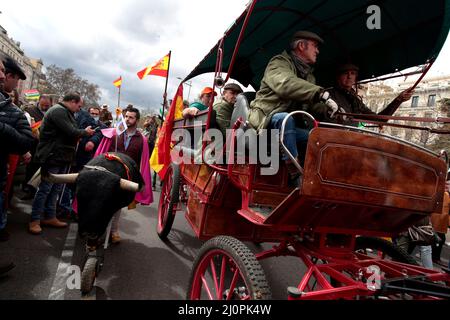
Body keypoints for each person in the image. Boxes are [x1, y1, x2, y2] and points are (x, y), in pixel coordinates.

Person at [247, 31, 339, 187]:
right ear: (301, 46)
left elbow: (312, 104)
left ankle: (322, 179)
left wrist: (329, 110)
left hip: (288, 128)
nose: (317, 51)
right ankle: (296, 175)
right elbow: (286, 84)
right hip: (266, 120)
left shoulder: (309, 77)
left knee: (318, 138)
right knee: (285, 119)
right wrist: (321, 93)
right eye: (315, 46)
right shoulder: (278, 63)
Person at [29, 92, 95, 235]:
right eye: (79, 105)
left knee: (56, 189)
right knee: (45, 189)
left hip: (62, 157)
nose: (79, 109)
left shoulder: (65, 111)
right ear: (72, 101)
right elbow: (71, 131)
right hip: (52, 156)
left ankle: (50, 216)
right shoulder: (58, 111)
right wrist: (85, 132)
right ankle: (35, 219)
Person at [0, 57, 33, 274]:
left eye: (3, 71)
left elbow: (25, 141)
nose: (2, 76)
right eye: (0, 70)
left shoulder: (11, 110)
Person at [327, 63, 414, 124]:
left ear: (355, 78)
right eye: (346, 73)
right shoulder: (328, 94)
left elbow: (379, 120)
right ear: (338, 77)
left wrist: (398, 100)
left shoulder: (355, 100)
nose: (349, 76)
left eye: (352, 73)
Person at [107, 107, 145, 243]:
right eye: (126, 116)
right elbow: (104, 150)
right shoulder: (115, 133)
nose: (128, 119)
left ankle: (114, 231)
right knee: (104, 202)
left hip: (126, 177)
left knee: (117, 204)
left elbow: (143, 162)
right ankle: (100, 229)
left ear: (137, 120)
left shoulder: (142, 140)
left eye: (131, 117)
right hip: (109, 173)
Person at [430, 171, 449, 267]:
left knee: (437, 239)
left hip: (439, 222)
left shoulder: (444, 193)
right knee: (438, 239)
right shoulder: (444, 194)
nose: (447, 185)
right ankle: (435, 258)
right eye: (446, 184)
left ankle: (433, 258)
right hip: (438, 222)